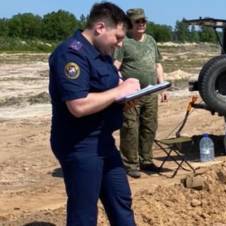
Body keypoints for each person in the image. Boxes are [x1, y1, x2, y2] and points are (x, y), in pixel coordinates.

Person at [48, 2, 139, 225]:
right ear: (100, 28)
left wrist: (124, 96)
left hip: (102, 139)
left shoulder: (102, 53)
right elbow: (78, 105)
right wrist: (119, 91)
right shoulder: (70, 54)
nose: (119, 44)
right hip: (79, 143)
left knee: (120, 199)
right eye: (117, 37)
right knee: (84, 212)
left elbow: (109, 87)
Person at [114, 8, 167, 178]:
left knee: (149, 126)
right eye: (137, 21)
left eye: (143, 21)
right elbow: (115, 67)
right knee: (130, 127)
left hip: (151, 91)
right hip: (132, 95)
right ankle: (130, 164)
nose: (141, 24)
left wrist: (162, 86)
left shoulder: (151, 41)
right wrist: (119, 87)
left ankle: (147, 160)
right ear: (129, 24)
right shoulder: (124, 43)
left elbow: (157, 64)